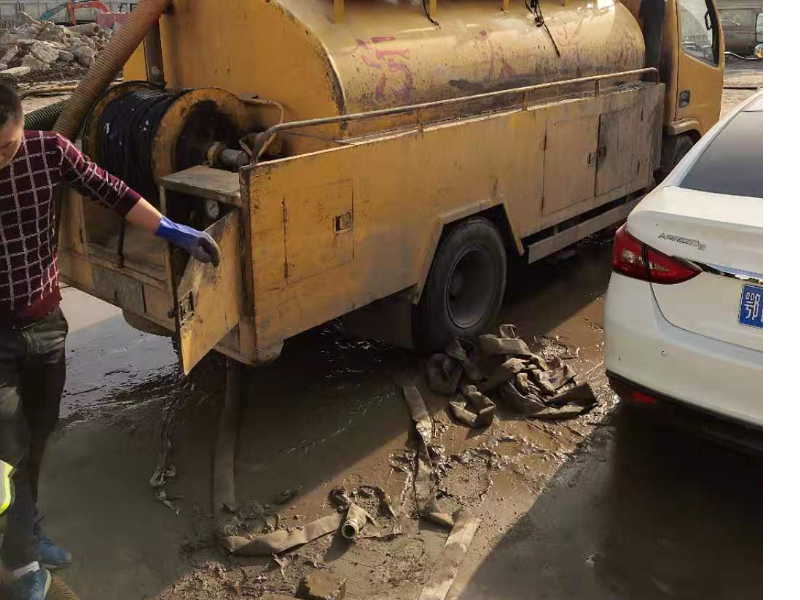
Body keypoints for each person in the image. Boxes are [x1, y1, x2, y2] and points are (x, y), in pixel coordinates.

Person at [0, 83, 220, 599]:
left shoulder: (48, 152)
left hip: (45, 326)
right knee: (5, 448)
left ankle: (28, 532)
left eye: (5, 147)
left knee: (36, 440)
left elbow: (112, 192)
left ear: (19, 125)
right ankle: (18, 565)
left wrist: (170, 228)